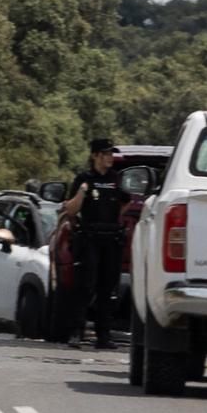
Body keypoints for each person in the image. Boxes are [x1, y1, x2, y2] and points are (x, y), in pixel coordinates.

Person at [61, 138, 127, 349]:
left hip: (110, 239)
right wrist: (82, 191)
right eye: (106, 154)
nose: (110, 158)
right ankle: (76, 332)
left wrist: (115, 221)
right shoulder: (84, 178)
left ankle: (103, 335)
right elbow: (70, 210)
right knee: (85, 286)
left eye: (111, 154)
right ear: (95, 156)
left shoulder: (115, 179)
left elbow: (126, 202)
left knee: (107, 288)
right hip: (89, 238)